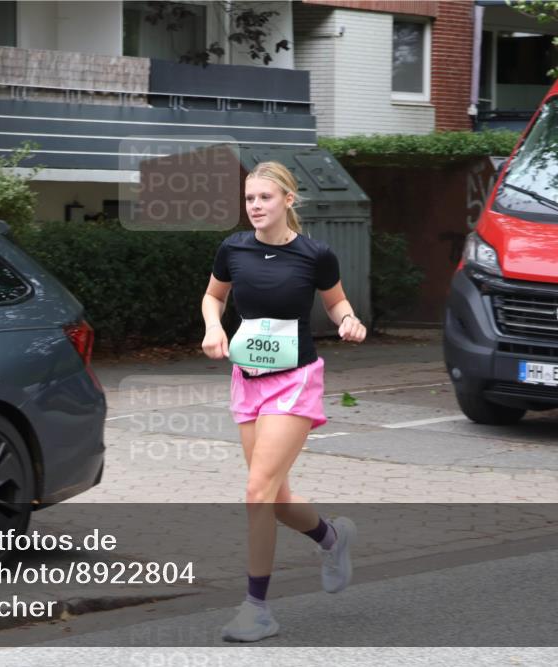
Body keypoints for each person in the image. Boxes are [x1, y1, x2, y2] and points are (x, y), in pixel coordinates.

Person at [201, 160, 367, 642]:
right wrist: (214, 326)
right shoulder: (232, 248)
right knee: (275, 499)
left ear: (288, 201)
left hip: (294, 380)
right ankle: (333, 539)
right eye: (249, 198)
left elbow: (336, 301)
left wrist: (348, 319)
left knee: (257, 491)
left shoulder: (315, 255)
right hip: (247, 377)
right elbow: (214, 298)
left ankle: (257, 609)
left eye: (264, 198)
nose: (254, 206)